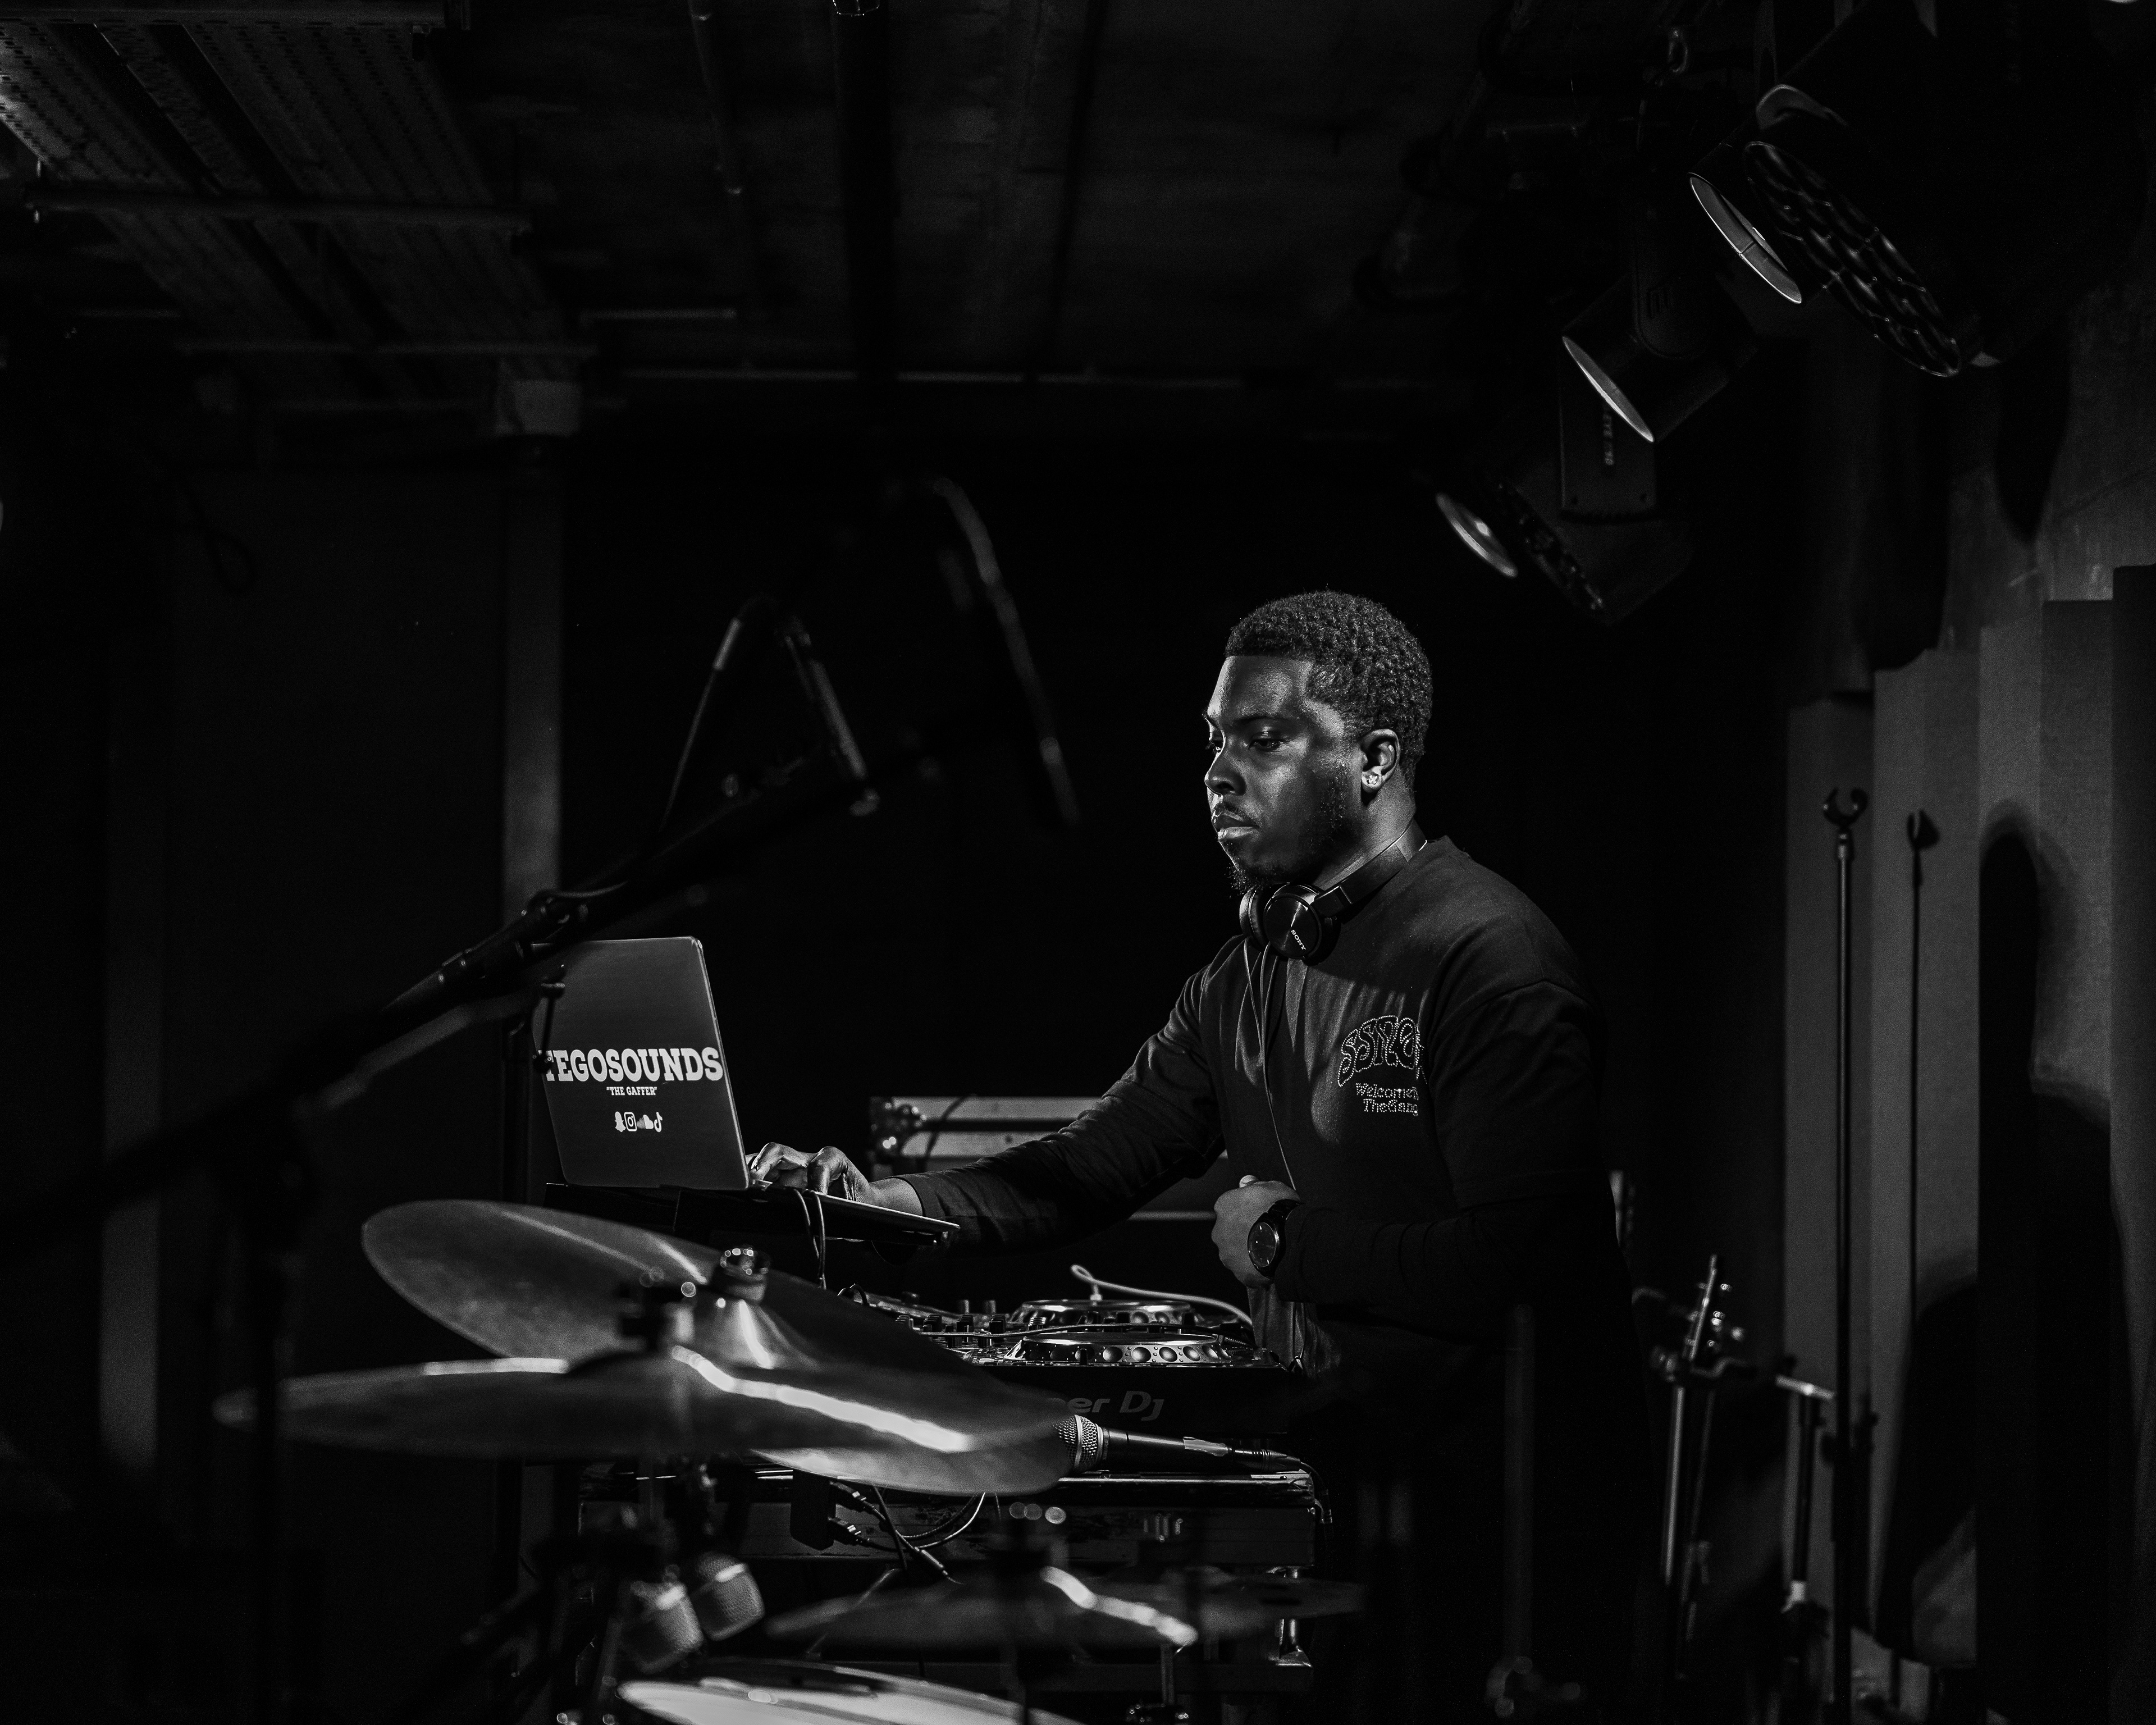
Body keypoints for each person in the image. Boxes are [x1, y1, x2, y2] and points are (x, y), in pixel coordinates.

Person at [753, 590, 1648, 1720]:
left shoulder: (1490, 961)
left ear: (1375, 760)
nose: (1220, 773)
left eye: (1265, 740)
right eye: (1216, 740)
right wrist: (885, 1201)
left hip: (1501, 1538)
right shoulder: (1251, 969)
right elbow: (1095, 1162)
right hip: (1351, 1493)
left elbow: (1516, 1265)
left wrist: (1281, 1242)